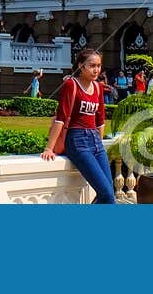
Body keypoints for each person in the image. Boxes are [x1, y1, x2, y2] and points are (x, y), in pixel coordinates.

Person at [41, 47, 115, 204]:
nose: (96, 70)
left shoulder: (98, 87)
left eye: (99, 66)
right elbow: (61, 118)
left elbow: (100, 119)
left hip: (95, 142)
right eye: (92, 65)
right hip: (78, 141)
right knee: (107, 194)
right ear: (81, 66)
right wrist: (49, 147)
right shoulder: (71, 85)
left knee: (109, 193)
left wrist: (99, 143)